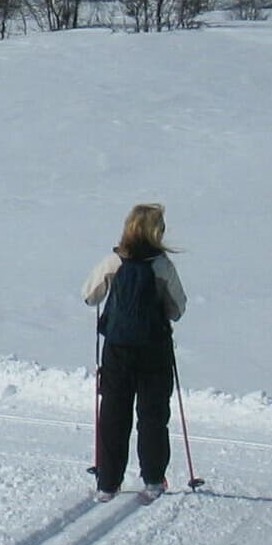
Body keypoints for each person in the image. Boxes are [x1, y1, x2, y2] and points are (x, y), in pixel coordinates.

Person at [81, 202, 187, 502]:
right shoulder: (162, 265)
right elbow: (177, 309)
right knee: (153, 414)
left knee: (114, 413)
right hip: (155, 349)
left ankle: (108, 482)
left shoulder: (114, 261)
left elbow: (89, 295)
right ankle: (153, 478)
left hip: (118, 348)